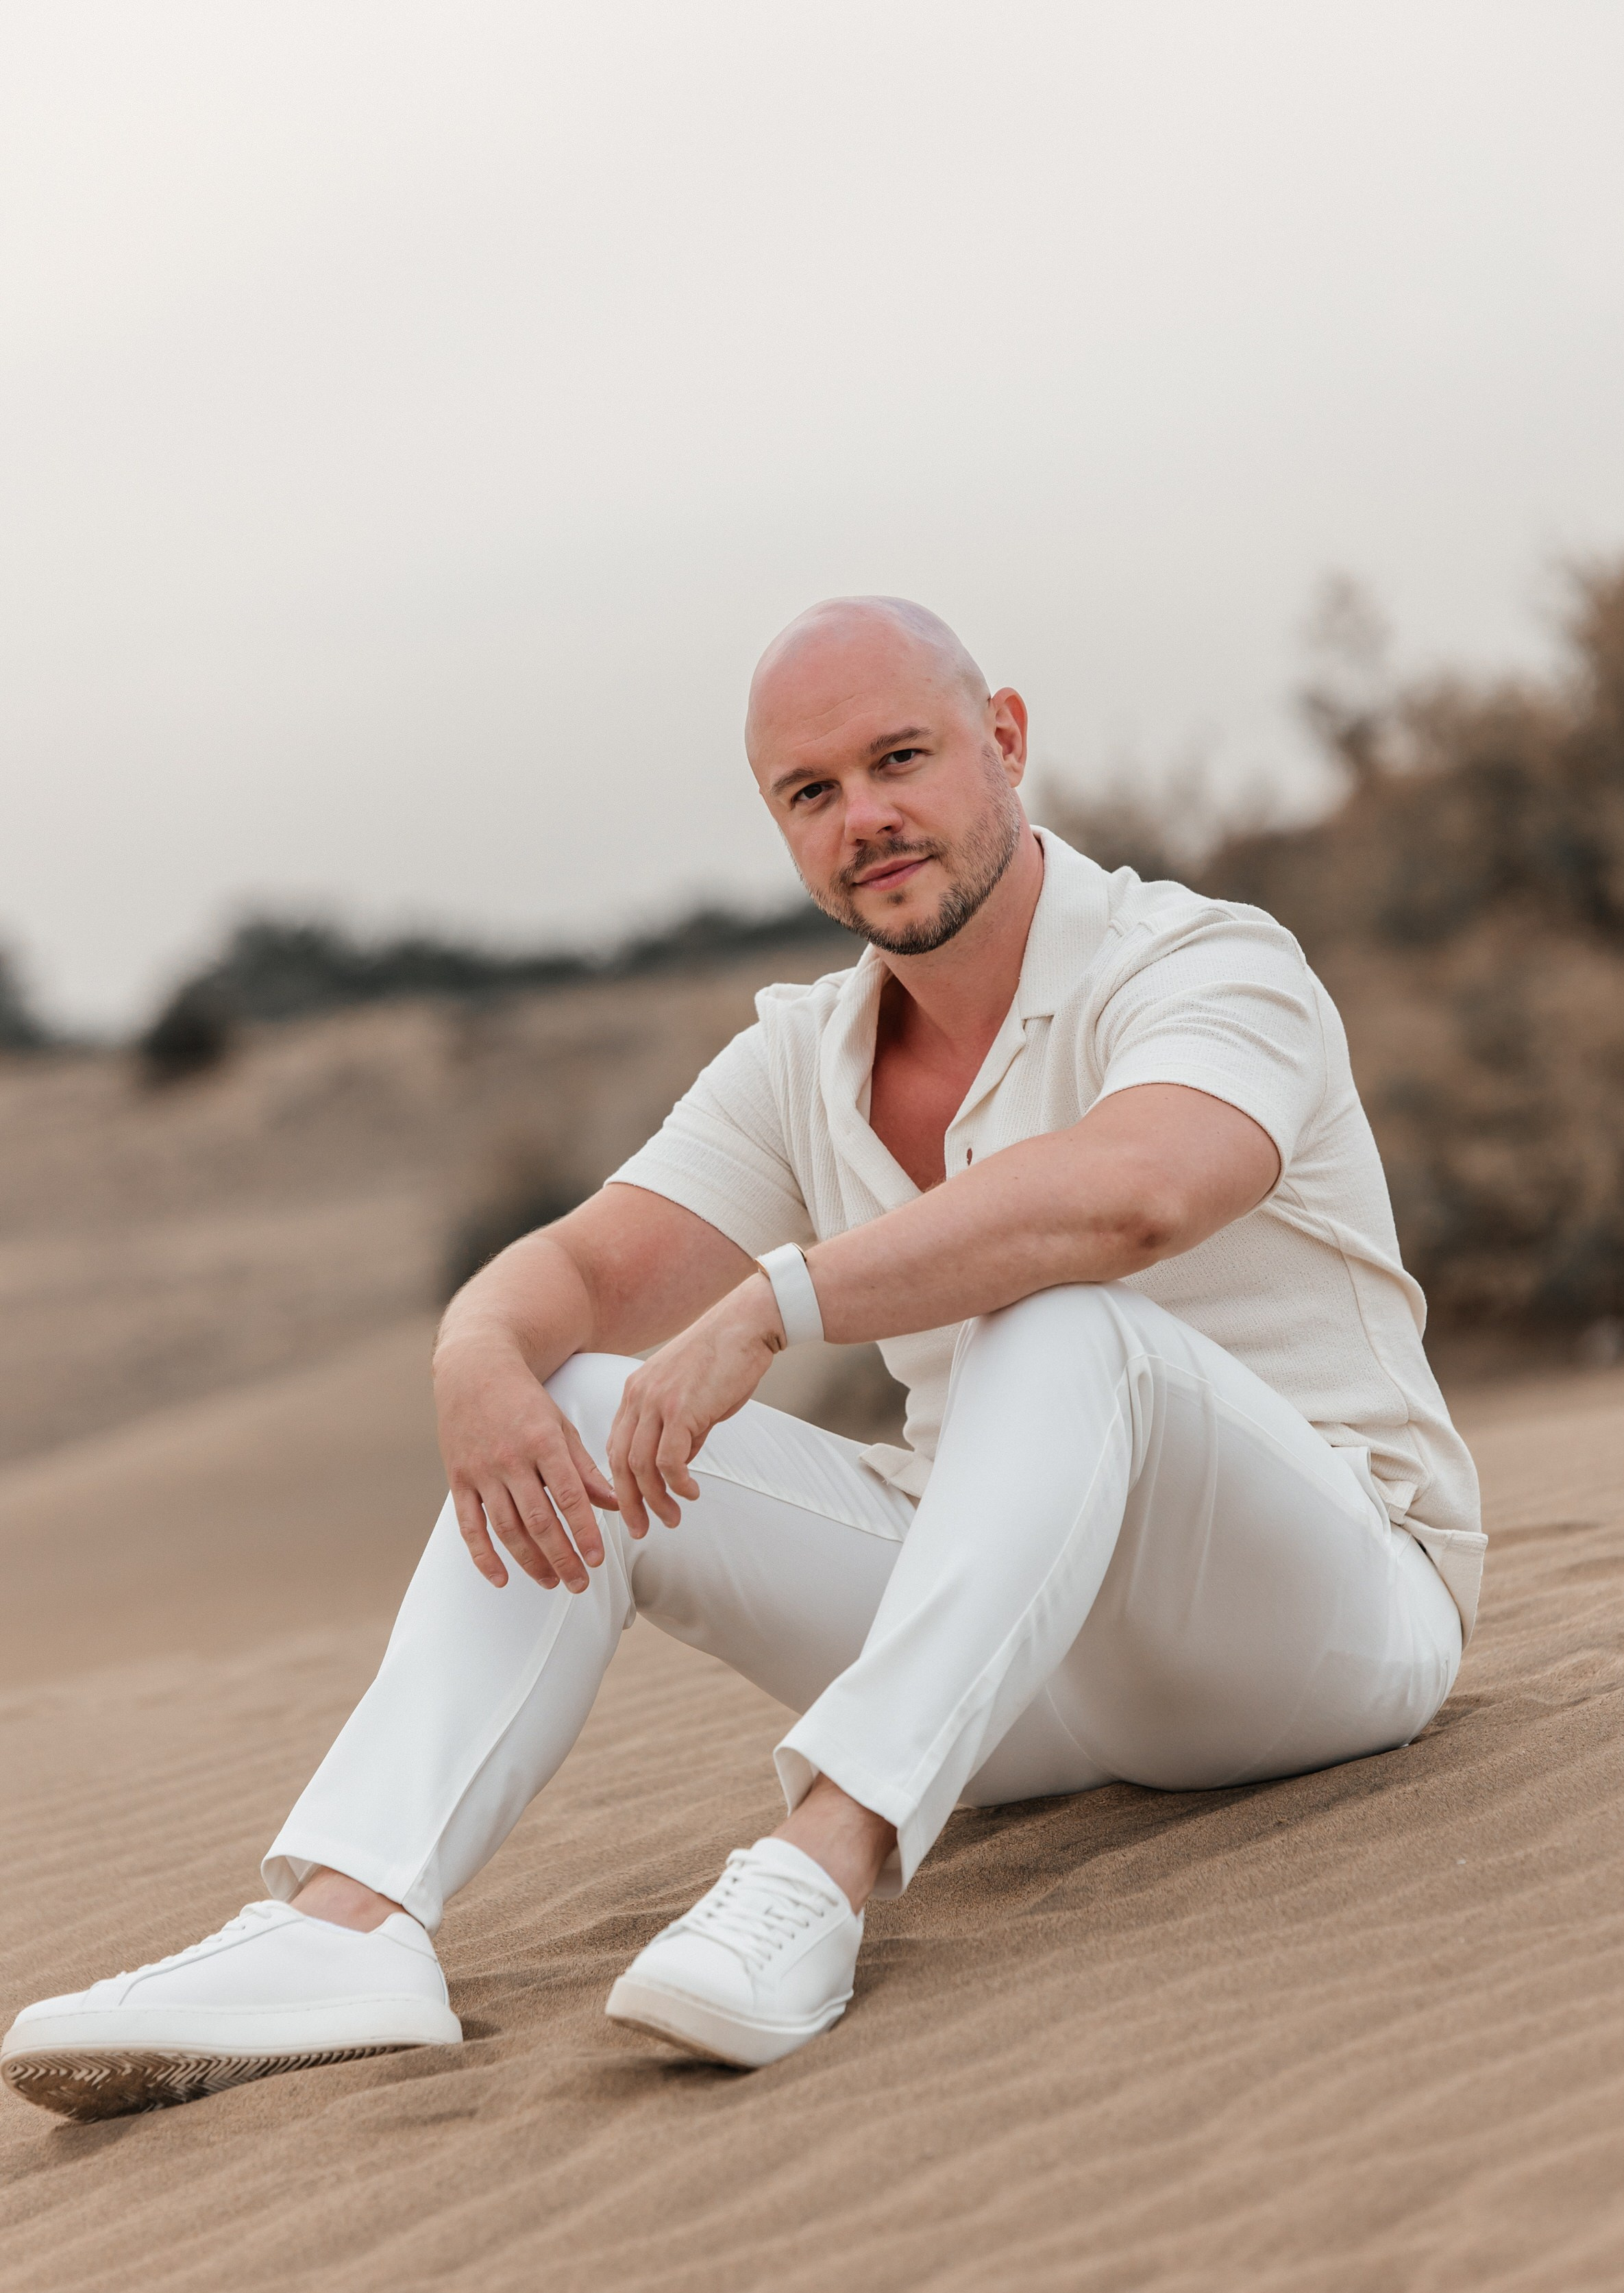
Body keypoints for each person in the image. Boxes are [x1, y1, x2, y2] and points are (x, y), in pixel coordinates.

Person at [3, 598, 1486, 2121]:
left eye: (901, 758)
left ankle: (821, 1866)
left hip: (1322, 1625)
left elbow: (1139, 1194)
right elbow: (577, 1273)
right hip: (1015, 1680)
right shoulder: (803, 1058)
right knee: (574, 1401)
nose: (869, 818)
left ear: (1008, 741)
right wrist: (476, 1356)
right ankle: (348, 1930)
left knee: (1069, 1320)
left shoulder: (1206, 965)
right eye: (813, 791)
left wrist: (778, 1301)